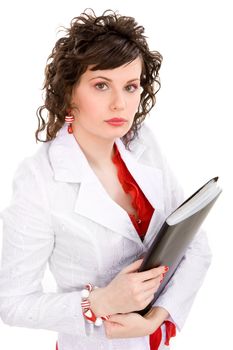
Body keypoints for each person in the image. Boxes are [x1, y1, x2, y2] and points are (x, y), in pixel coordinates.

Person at [0, 8, 212, 350]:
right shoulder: (38, 180)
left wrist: (156, 317)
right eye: (101, 85)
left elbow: (196, 246)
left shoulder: (142, 143)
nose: (120, 104)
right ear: (70, 92)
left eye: (130, 87)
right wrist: (98, 302)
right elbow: (12, 303)